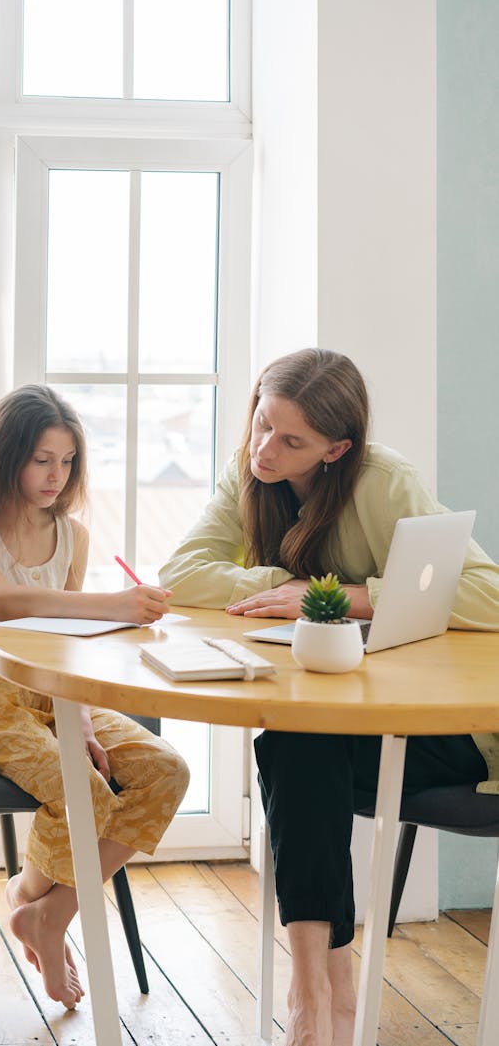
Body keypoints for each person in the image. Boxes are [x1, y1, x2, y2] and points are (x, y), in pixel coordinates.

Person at [158, 348, 499, 1046]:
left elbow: (491, 592)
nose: (264, 448)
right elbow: (182, 573)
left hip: (442, 735)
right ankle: (318, 984)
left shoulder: (384, 481)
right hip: (344, 729)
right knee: (295, 736)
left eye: (291, 440)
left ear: (337, 448)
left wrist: (338, 596)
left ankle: (322, 997)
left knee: (297, 746)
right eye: (261, 424)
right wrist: (279, 586)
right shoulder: (250, 474)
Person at [0, 384, 189, 1011]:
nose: (56, 475)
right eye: (42, 459)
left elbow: (65, 645)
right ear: (5, 456)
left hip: (55, 692)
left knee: (166, 772)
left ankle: (47, 911)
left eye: (67, 461)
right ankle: (29, 901)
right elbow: (3, 603)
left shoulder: (71, 537)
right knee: (85, 793)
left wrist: (86, 724)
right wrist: (114, 606)